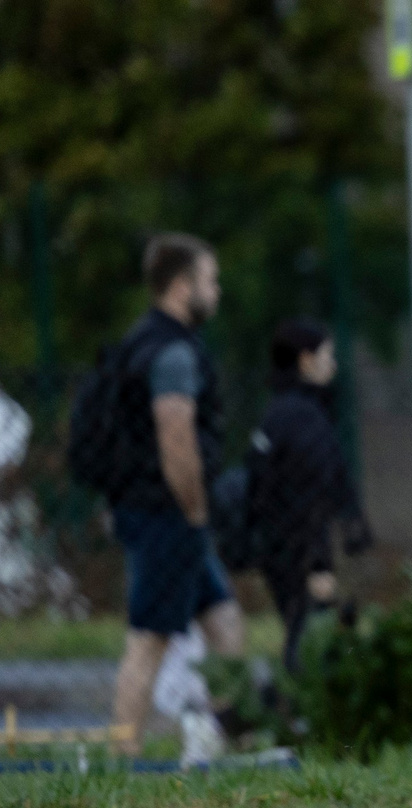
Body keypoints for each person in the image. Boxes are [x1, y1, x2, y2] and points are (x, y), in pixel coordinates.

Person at [107, 232, 244, 754]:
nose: (217, 291)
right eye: (211, 280)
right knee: (150, 638)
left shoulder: (147, 342)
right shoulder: (171, 354)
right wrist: (195, 510)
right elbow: (176, 438)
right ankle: (123, 756)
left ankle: (229, 738)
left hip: (169, 514)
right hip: (168, 515)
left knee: (224, 621)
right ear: (183, 287)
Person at [246, 318, 372, 671]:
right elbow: (310, 494)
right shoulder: (305, 419)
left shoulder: (278, 413)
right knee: (310, 642)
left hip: (278, 545)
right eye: (327, 355)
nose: (333, 365)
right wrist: (318, 565)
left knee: (303, 630)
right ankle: (292, 699)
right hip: (300, 550)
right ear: (305, 360)